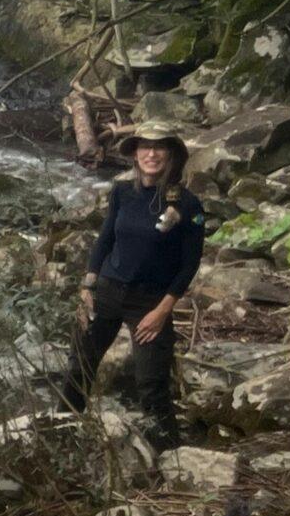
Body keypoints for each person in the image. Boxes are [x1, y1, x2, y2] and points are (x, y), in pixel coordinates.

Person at [65, 94, 204, 446]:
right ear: (135, 152)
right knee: (80, 365)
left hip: (151, 301)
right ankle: (61, 434)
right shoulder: (122, 191)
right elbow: (106, 238)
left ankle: (169, 458)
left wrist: (162, 310)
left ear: (171, 154)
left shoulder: (188, 205)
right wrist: (87, 286)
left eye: (159, 148)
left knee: (152, 385)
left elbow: (190, 263)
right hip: (109, 290)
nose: (151, 154)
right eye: (145, 147)